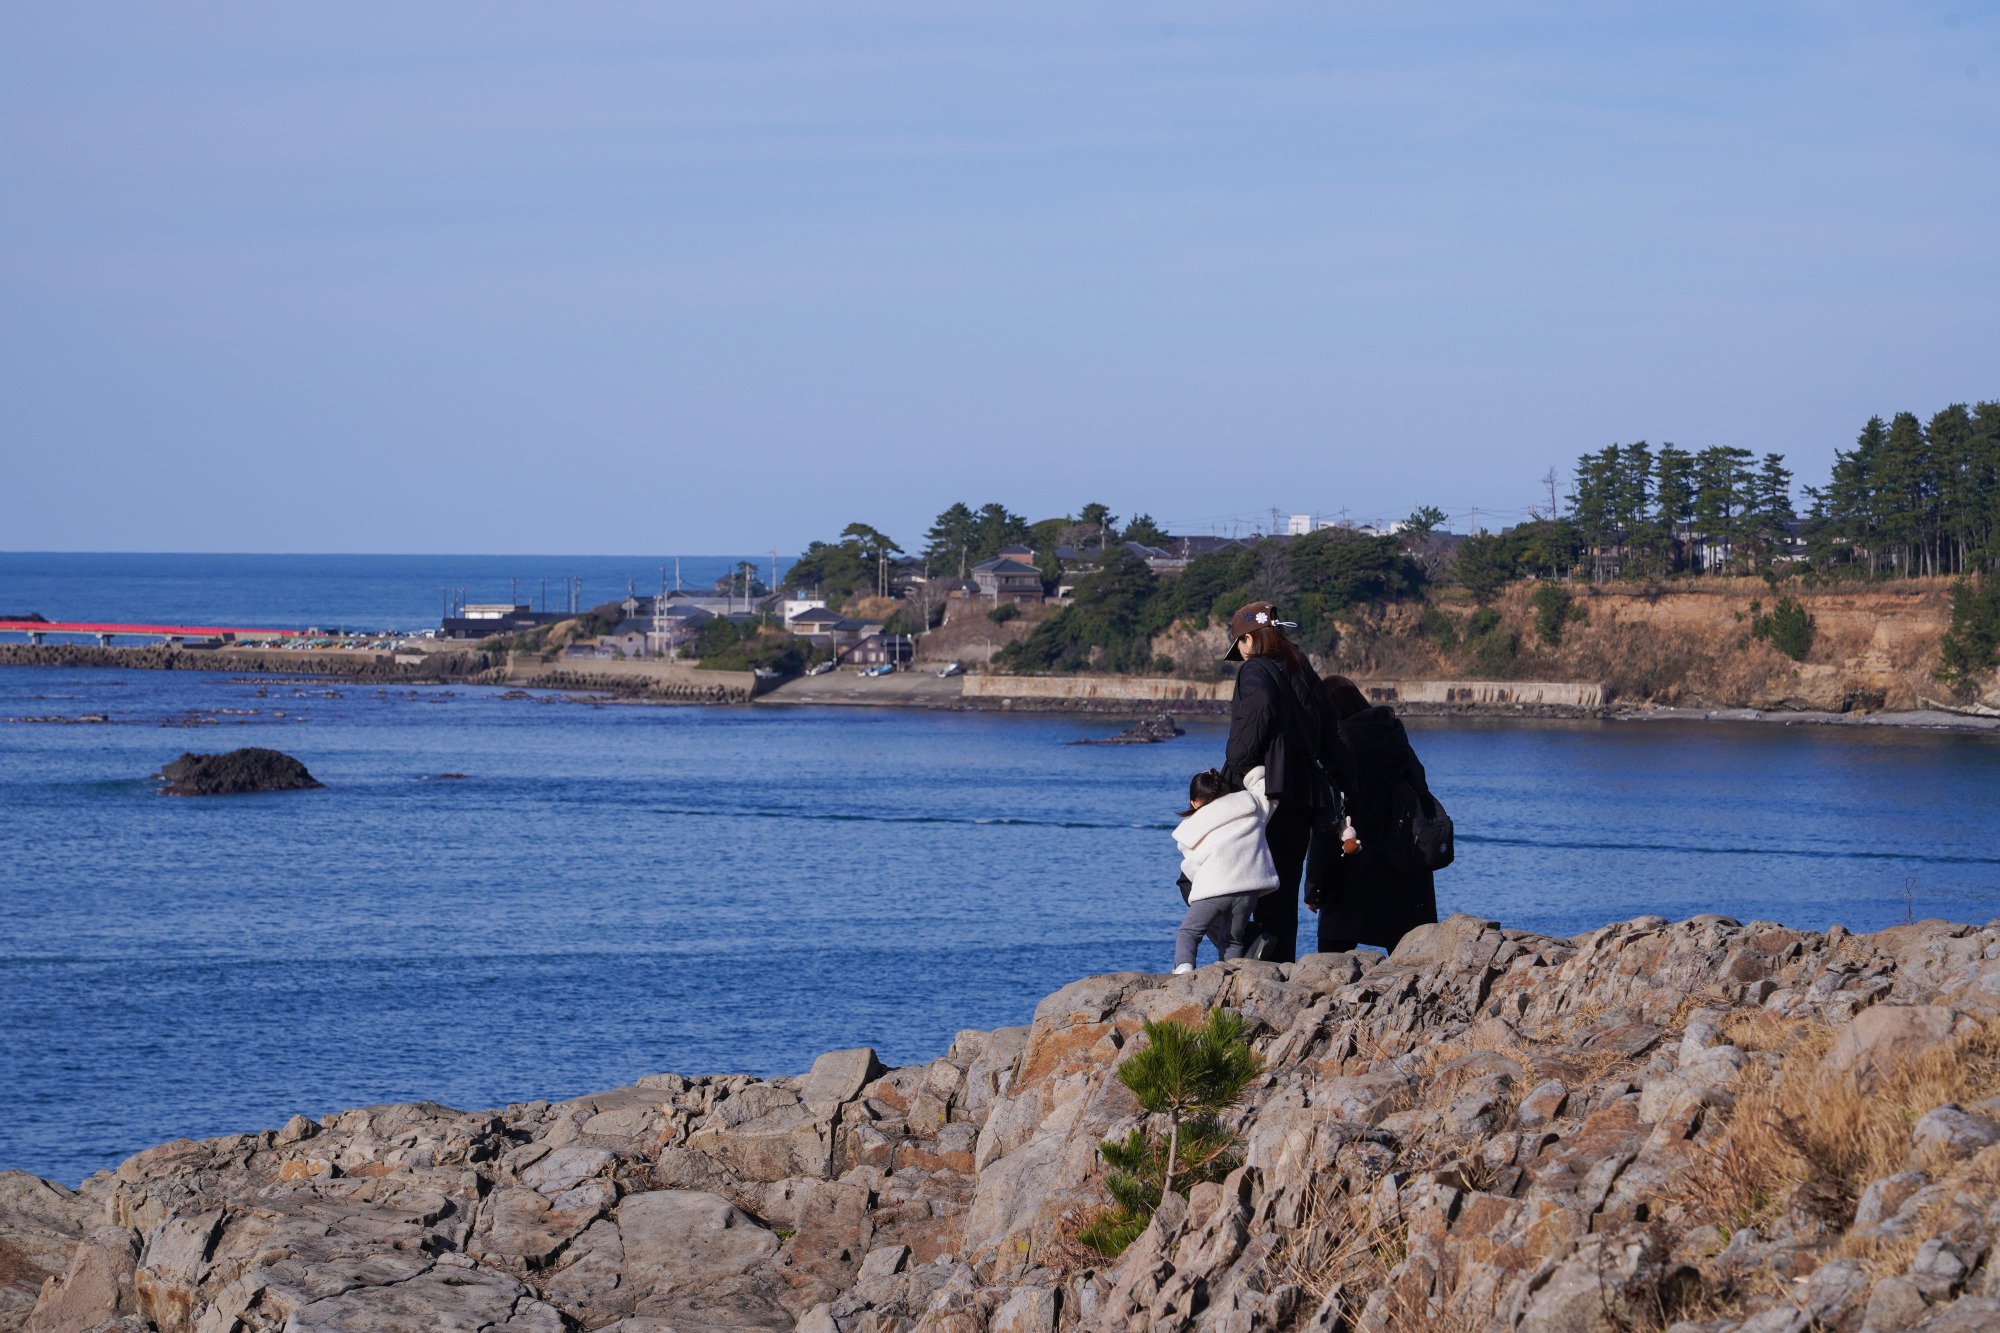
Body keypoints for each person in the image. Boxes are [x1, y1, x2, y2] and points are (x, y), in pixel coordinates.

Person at [1220, 601, 1336, 963]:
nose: (1240, 651)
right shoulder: (1301, 667)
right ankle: (1278, 967)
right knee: (1280, 891)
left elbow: (1258, 712)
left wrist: (1236, 764)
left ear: (1250, 639)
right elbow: (1332, 728)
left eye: (1240, 643)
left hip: (1264, 793)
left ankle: (1252, 944)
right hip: (1303, 796)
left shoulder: (1254, 670)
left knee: (1198, 879)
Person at [1306, 674, 1439, 953]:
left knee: (1330, 967)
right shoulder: (1397, 741)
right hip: (1405, 868)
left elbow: (1328, 823)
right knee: (1410, 965)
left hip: (1353, 870)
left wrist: (1315, 886)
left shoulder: (1337, 750)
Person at [1171, 766, 1279, 974]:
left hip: (1214, 889)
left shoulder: (1193, 826)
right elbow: (1266, 792)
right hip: (1248, 892)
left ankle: (1183, 971)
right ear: (1226, 791)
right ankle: (1231, 980)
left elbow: (1191, 866)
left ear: (1194, 802)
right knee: (1232, 941)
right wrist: (1253, 770)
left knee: (1189, 933)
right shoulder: (1251, 805)